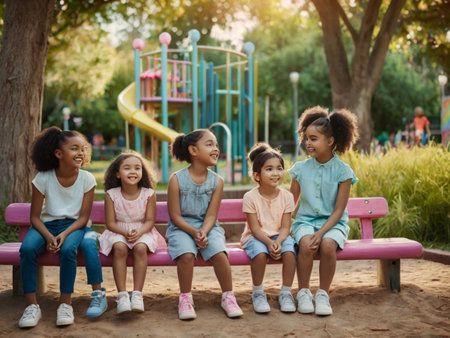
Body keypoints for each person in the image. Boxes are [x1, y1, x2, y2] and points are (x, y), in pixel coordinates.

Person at [18, 127, 106, 328]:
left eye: (83, 149)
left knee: (67, 250)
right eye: (74, 148)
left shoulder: (87, 179)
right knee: (27, 249)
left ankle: (65, 304)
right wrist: (49, 236)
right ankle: (31, 306)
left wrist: (64, 235)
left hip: (74, 226)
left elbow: (83, 218)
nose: (81, 153)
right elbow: (35, 217)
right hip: (45, 225)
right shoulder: (43, 179)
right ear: (58, 154)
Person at [289, 106, 359, 316]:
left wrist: (320, 233)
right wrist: (284, 228)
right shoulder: (300, 169)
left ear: (330, 141)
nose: (308, 143)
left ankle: (322, 295)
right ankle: (303, 292)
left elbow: (338, 210)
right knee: (305, 244)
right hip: (305, 222)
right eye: (306, 138)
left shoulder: (343, 171)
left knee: (328, 245)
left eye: (313, 139)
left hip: (333, 223)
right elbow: (290, 203)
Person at [166, 129, 243, 320]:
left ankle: (228, 296)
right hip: (181, 228)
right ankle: (185, 298)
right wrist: (194, 232)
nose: (216, 149)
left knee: (219, 253)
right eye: (209, 144)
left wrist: (203, 231)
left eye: (216, 145)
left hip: (208, 227)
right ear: (193, 150)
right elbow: (175, 216)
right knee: (186, 255)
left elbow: (211, 215)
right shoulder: (176, 179)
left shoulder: (217, 181)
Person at [99, 151, 164, 314]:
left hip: (143, 230)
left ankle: (137, 294)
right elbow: (110, 223)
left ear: (142, 172)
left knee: (140, 248)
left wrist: (140, 231)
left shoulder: (148, 194)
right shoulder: (111, 195)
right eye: (127, 168)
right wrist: (125, 232)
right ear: (117, 174)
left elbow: (150, 221)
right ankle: (122, 295)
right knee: (120, 248)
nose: (133, 171)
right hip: (117, 230)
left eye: (137, 168)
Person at [241, 143, 297, 314]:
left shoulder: (287, 196)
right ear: (257, 175)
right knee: (260, 254)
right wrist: (268, 242)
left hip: (280, 235)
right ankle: (258, 293)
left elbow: (286, 226)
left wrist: (279, 241)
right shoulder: (250, 197)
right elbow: (255, 228)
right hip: (255, 237)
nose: (276, 173)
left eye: (279, 168)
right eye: (269, 169)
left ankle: (286, 293)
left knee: (290, 253)